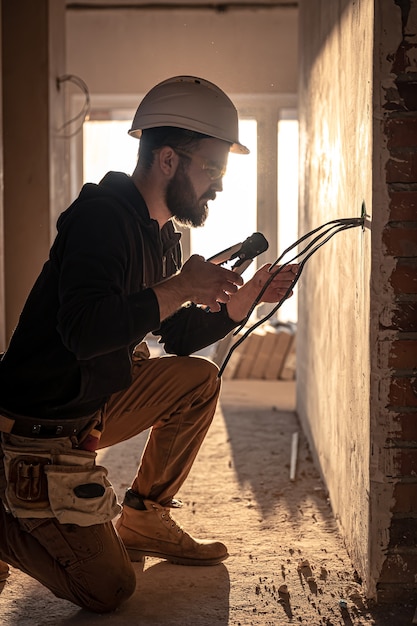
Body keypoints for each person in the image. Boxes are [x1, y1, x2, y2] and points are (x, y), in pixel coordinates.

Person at [0, 76, 296, 613]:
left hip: (90, 405)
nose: (220, 185)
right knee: (108, 588)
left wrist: (240, 301)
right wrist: (181, 285)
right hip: (37, 423)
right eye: (212, 168)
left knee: (197, 380)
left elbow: (174, 335)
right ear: (167, 160)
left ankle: (144, 518)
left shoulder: (160, 234)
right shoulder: (101, 218)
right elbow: (84, 330)